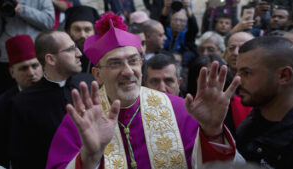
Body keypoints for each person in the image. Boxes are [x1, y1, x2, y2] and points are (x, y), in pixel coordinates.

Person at [46, 13, 243, 169]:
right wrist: (89, 158)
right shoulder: (81, 119)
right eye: (115, 64)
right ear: (98, 75)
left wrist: (212, 133)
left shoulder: (178, 110)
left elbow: (219, 165)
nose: (128, 71)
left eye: (133, 61)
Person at [9, 30, 94, 169]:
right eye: (71, 49)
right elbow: (22, 158)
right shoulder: (23, 102)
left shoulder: (90, 83)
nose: (79, 53)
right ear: (51, 59)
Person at [236, 37, 293, 168]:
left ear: (283, 75)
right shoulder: (249, 124)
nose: (238, 81)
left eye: (246, 73)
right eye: (237, 72)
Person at [0, 34, 43, 168]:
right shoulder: (1, 106)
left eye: (35, 66)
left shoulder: (57, 95)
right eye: (23, 68)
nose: (31, 72)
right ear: (12, 72)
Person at [0, 0, 54, 96]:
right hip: (7, 58)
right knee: (8, 95)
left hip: (35, 55)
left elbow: (49, 21)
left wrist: (22, 9)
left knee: (38, 93)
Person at [65, 5, 100, 73]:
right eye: (77, 30)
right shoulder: (61, 57)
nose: (82, 35)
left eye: (87, 30)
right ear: (69, 31)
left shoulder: (102, 57)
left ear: (94, 32)